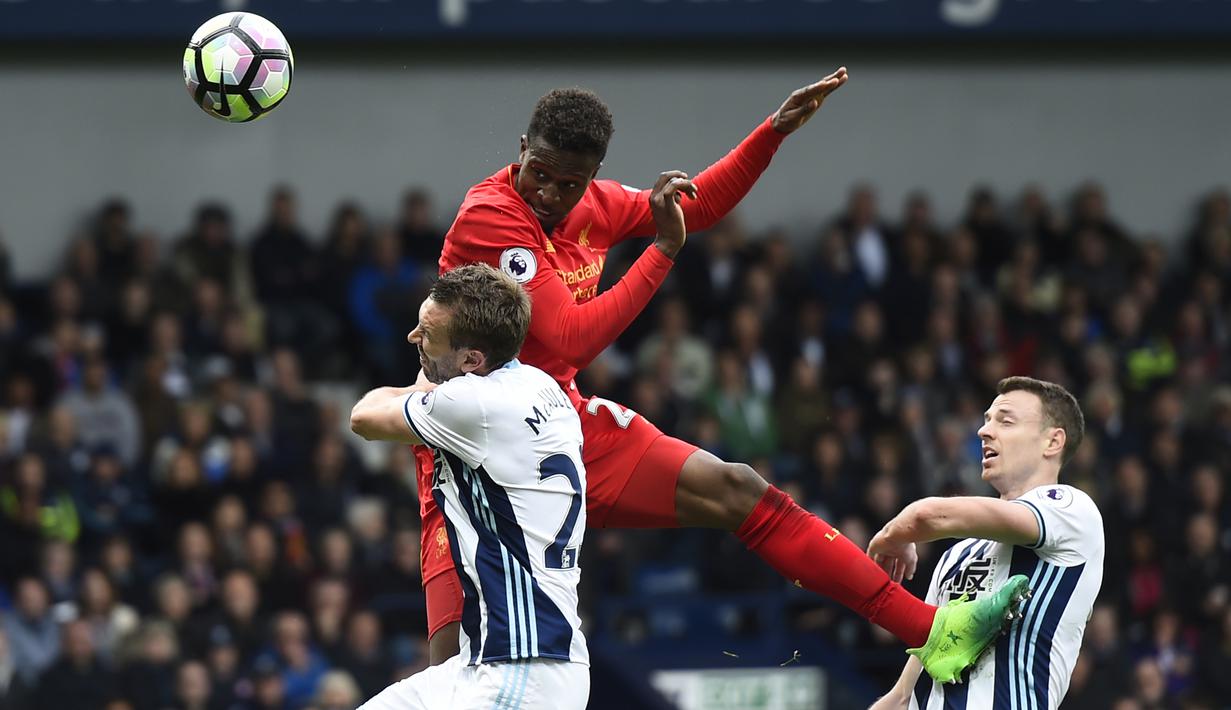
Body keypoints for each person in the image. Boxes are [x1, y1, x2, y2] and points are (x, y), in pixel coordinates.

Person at [419, 71, 1029, 684]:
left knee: (737, 488)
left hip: (557, 422)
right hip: (470, 446)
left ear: (591, 175)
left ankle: (931, 631)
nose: (549, 192)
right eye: (539, 173)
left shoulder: (596, 205)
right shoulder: (492, 218)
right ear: (523, 148)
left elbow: (699, 203)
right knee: (454, 665)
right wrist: (661, 252)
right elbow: (574, 336)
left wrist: (772, 133)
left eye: (568, 183)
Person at [350, 263, 590, 709]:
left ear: (471, 360)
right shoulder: (541, 385)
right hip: (484, 663)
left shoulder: (472, 404)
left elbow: (362, 417)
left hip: (525, 667)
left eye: (427, 334)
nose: (412, 339)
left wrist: (425, 385)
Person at [868, 376, 1105, 707]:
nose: (984, 431)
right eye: (987, 420)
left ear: (1052, 442)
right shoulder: (956, 556)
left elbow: (930, 517)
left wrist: (895, 534)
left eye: (1005, 421)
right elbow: (904, 695)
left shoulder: (1072, 511)